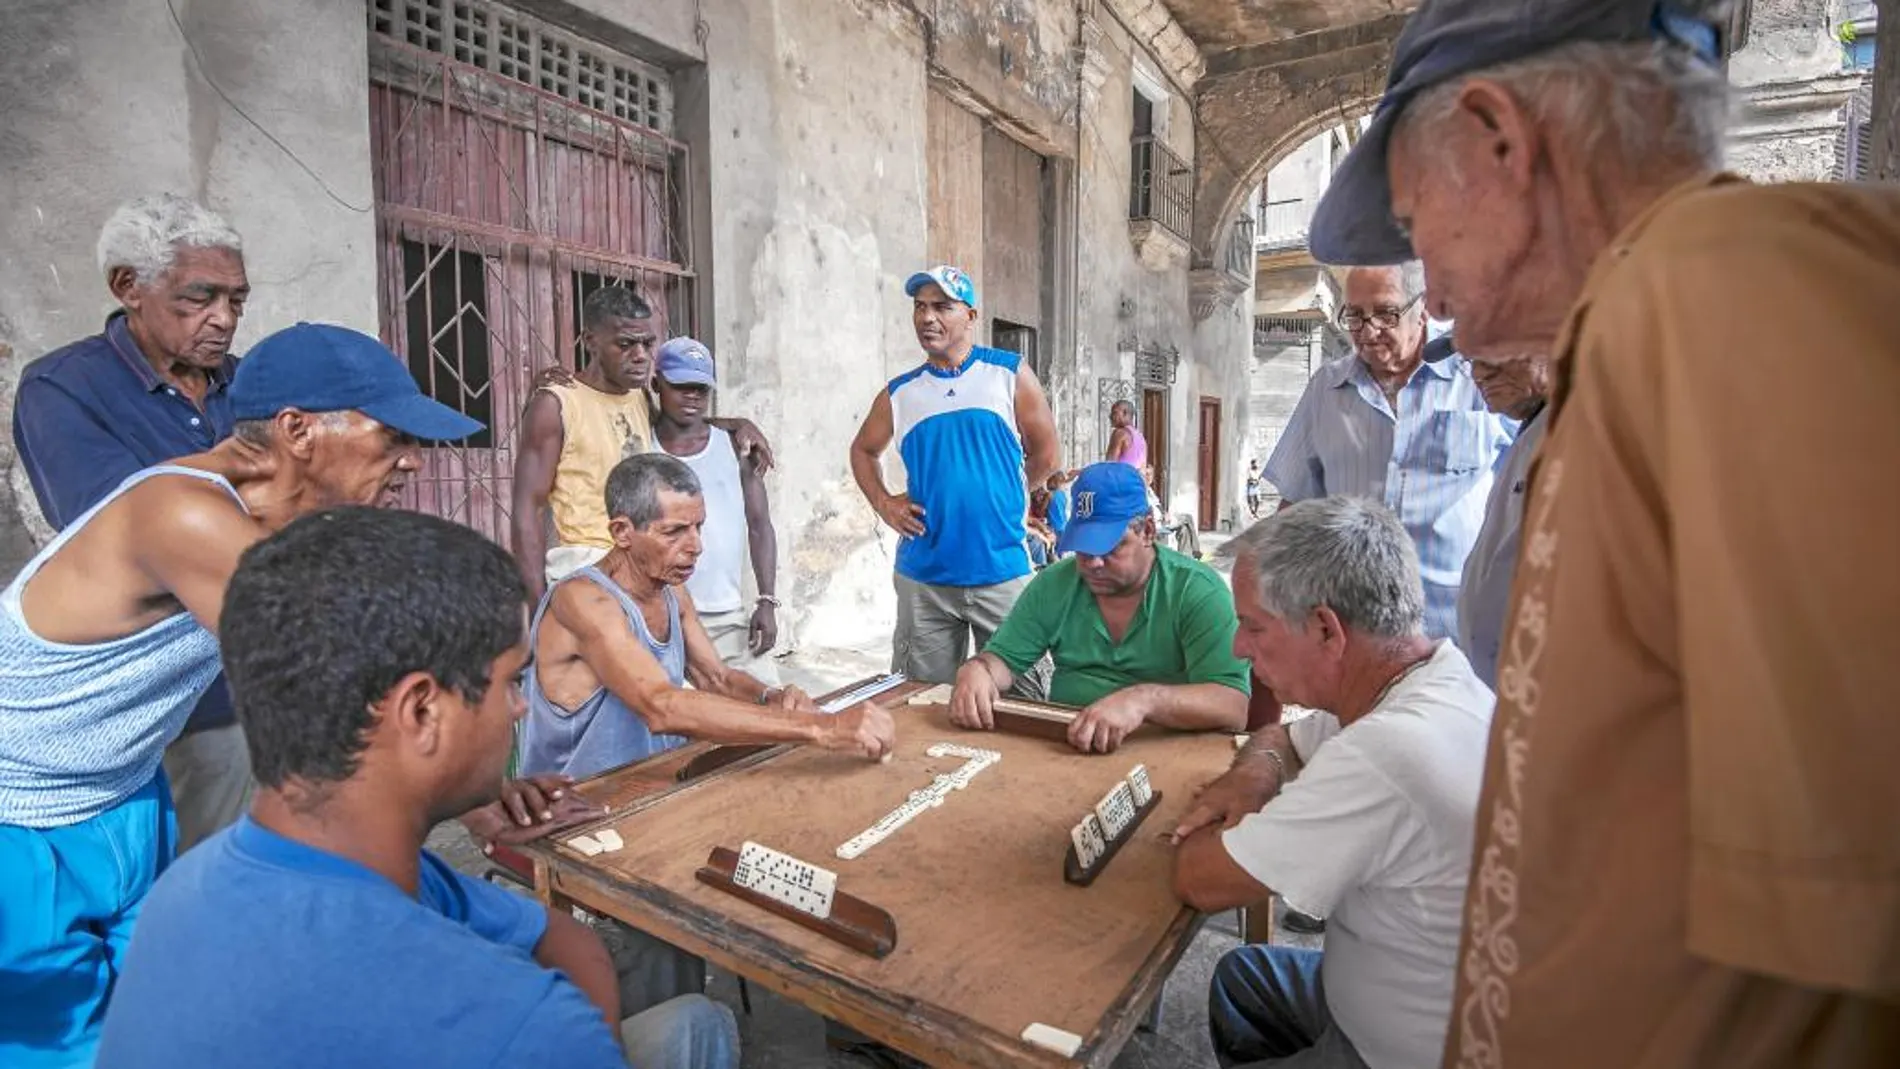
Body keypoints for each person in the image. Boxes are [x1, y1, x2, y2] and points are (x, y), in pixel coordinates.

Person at [1310, 1, 1900, 1066]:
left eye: (1417, 224)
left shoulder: (1722, 299)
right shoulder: (1629, 341)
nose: (1429, 292)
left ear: (1500, 139)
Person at [95, 507, 738, 1069]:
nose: (520, 711)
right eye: (511, 682)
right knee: (697, 1024)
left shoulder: (189, 884)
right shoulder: (519, 1025)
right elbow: (564, 966)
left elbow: (568, 938)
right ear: (422, 713)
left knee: (689, 1023)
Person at [0, 323, 485, 1066]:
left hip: (125, 796)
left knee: (161, 1017)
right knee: (62, 1048)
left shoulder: (283, 523)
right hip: (24, 825)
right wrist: (475, 790)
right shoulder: (182, 511)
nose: (412, 462)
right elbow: (335, 676)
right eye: (390, 437)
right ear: (297, 429)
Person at [1170, 497, 1493, 1069]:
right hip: (1402, 994)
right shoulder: (1433, 676)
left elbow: (1201, 880)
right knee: (1245, 976)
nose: (1238, 649)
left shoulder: (1388, 752)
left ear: (1326, 629)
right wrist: (1256, 778)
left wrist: (1217, 816)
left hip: (1408, 1052)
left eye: (1253, 627)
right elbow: (1280, 740)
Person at [12, 193, 254, 851]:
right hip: (152, 704)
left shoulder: (246, 384)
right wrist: (229, 470)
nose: (224, 318)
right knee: (168, 887)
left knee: (247, 877)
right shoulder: (63, 387)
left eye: (237, 300)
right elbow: (113, 522)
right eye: (199, 298)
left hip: (249, 684)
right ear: (128, 287)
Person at [1261, 262, 1513, 639]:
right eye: (1356, 317)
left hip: (1462, 627)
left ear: (1423, 308)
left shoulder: (1478, 376)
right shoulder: (1326, 390)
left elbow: (1535, 484)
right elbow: (1295, 502)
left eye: (1385, 313)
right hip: (1358, 630)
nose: (1369, 331)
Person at [848, 265, 1060, 684]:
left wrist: (1004, 496)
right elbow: (863, 450)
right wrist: (885, 503)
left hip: (1002, 569)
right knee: (921, 703)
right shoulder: (901, 393)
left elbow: (1047, 455)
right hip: (925, 578)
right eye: (920, 307)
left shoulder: (1007, 373)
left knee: (1027, 699)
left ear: (971, 316)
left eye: (942, 306)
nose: (927, 318)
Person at [950, 463, 1250, 754]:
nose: (1092, 563)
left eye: (1109, 548)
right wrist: (979, 670)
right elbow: (1004, 660)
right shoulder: (1055, 583)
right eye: (1083, 548)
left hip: (1167, 752)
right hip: (1071, 745)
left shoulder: (1196, 591)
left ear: (1147, 531)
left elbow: (1232, 706)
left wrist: (1142, 701)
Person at [511, 287, 773, 604]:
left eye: (647, 344)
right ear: (591, 341)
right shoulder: (556, 404)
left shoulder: (638, 397)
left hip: (641, 569)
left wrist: (735, 425)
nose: (640, 355)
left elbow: (679, 422)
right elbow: (528, 510)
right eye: (625, 344)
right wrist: (537, 607)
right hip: (587, 573)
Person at [651, 337, 780, 683]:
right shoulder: (640, 445)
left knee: (773, 706)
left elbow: (759, 525)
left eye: (700, 388)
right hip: (660, 616)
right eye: (681, 387)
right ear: (656, 384)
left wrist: (767, 600)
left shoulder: (736, 447)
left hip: (727, 618)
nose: (692, 397)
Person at [1453, 351, 1550, 688]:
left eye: (1495, 353)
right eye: (1470, 360)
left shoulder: (1580, 430)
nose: (1480, 373)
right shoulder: (1533, 429)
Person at [1105, 399, 1146, 468]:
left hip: (1121, 478)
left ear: (1125, 413)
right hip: (1136, 478)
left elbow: (1110, 465)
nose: (1110, 416)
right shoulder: (1140, 436)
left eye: (1114, 413)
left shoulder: (1120, 433)